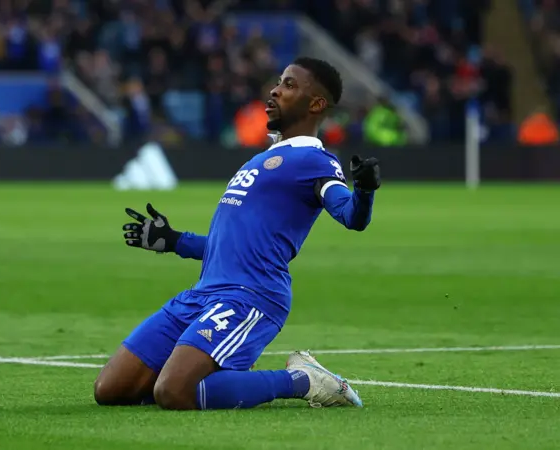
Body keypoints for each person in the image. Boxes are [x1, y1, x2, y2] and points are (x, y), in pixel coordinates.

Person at [94, 57, 381, 410]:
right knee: (110, 390)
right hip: (203, 294)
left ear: (316, 104)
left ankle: (303, 379)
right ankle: (224, 369)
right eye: (279, 81)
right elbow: (230, 246)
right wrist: (173, 241)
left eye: (290, 85)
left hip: (251, 297)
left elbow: (350, 215)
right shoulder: (259, 160)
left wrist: (364, 191)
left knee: (174, 392)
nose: (275, 90)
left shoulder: (316, 161)